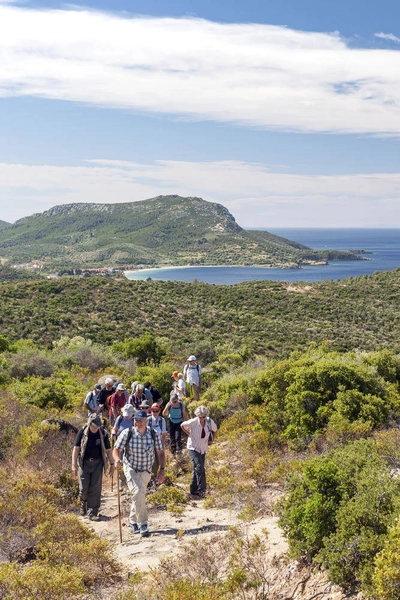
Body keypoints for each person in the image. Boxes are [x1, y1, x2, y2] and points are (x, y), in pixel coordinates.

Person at [112, 410, 166, 537]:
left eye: (141, 420)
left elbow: (161, 453)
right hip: (131, 468)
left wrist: (162, 470)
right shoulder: (127, 433)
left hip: (146, 470)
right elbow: (116, 450)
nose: (138, 422)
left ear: (146, 421)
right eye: (136, 420)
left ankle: (132, 520)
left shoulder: (153, 434)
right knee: (138, 492)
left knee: (139, 495)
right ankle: (143, 524)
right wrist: (117, 459)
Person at [71, 414, 115, 520]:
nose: (96, 427)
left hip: (98, 463)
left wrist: (112, 464)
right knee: (83, 488)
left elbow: (108, 450)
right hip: (84, 463)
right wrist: (74, 465)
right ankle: (83, 503)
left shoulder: (103, 433)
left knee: (95, 489)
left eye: (97, 425)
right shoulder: (83, 432)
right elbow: (76, 449)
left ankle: (93, 512)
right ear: (90, 423)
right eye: (94, 425)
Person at [181, 405, 217, 499]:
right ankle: (201, 491)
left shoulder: (209, 421)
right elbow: (183, 425)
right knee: (200, 467)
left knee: (196, 468)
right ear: (197, 416)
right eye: (200, 416)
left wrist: (212, 439)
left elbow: (215, 430)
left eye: (203, 416)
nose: (201, 418)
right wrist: (189, 433)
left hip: (203, 448)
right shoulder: (193, 422)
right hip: (193, 447)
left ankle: (193, 491)